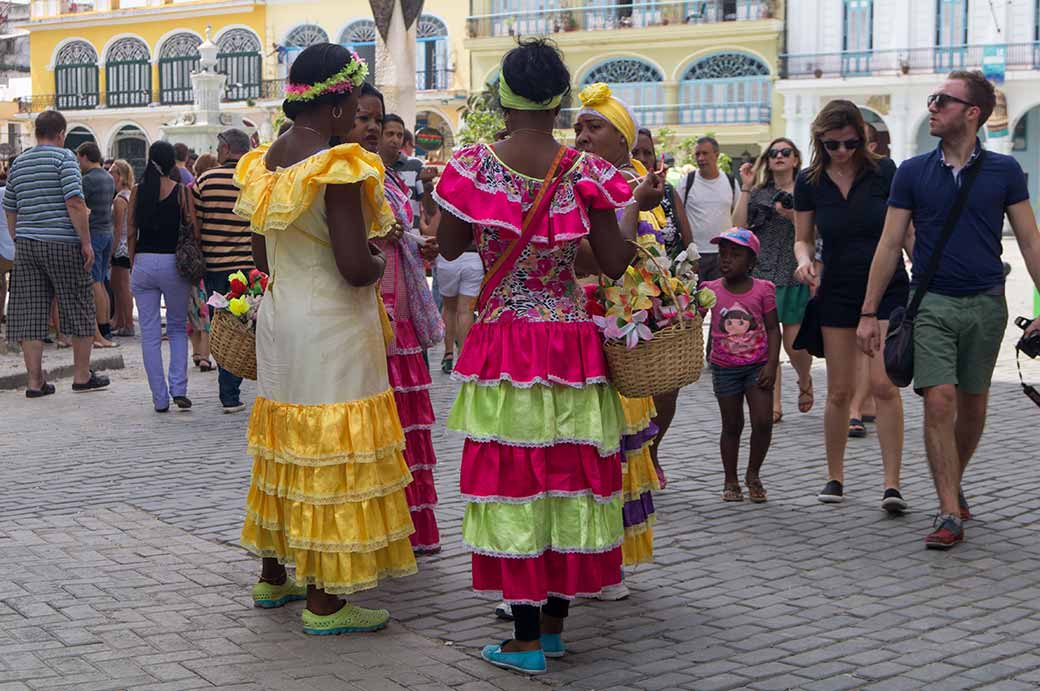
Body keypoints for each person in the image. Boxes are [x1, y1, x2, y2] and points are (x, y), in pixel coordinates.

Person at [433, 39, 643, 674]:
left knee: (515, 481)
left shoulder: (470, 166)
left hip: (504, 340)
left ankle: (524, 642)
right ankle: (551, 630)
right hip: (570, 342)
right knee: (566, 477)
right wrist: (630, 210)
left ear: (501, 95)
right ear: (560, 100)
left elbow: (447, 248)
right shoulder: (589, 173)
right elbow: (610, 263)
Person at [234, 42, 416, 634]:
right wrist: (373, 255)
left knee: (284, 442)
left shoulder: (265, 163)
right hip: (333, 324)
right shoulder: (337, 164)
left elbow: (261, 253)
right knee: (332, 451)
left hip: (281, 317)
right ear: (337, 105)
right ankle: (326, 601)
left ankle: (273, 576)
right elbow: (352, 267)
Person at [858, 70, 1040, 549]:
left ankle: (953, 480)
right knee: (939, 400)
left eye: (943, 99)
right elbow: (890, 241)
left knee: (974, 404)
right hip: (931, 300)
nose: (933, 106)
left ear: (972, 112)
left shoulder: (1005, 172)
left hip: (987, 303)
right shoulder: (913, 171)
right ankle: (947, 510)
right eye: (933, 99)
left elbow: (1029, 241)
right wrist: (868, 310)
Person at [793, 99, 910, 511]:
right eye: (832, 145)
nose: (841, 151)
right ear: (819, 141)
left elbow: (904, 232)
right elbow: (803, 237)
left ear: (862, 137)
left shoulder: (885, 173)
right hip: (838, 287)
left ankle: (892, 484)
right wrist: (804, 262)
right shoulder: (809, 181)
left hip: (888, 286)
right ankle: (835, 476)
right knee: (840, 390)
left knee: (883, 385)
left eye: (849, 143)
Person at [571, 82, 667, 573]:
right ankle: (585, 556)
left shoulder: (637, 193)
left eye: (595, 127)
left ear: (623, 140)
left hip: (619, 335)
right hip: (576, 335)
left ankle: (610, 560)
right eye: (578, 128)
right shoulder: (568, 184)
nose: (583, 137)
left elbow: (636, 269)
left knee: (620, 448)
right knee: (584, 447)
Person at [354, 94, 445, 554]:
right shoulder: (344, 175)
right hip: (368, 314)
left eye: (378, 120)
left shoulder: (387, 178)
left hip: (401, 311)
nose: (372, 128)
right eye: (363, 118)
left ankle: (409, 528)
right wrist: (377, 235)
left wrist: (414, 243)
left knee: (405, 427)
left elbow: (397, 231)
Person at [4, 110, 109, 396]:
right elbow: (74, 201)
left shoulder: (20, 162)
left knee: (30, 311)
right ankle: (81, 376)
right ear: (61, 134)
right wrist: (85, 242)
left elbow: (10, 206)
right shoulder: (65, 159)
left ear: (38, 132)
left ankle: (35, 382)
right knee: (78, 305)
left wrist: (18, 237)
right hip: (63, 242)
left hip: (27, 244)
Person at [732, 138, 813, 423]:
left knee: (794, 344)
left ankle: (804, 379)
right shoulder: (758, 193)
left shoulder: (807, 191)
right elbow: (738, 227)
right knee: (767, 345)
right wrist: (745, 186)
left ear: (795, 159)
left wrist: (792, 216)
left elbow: (815, 233)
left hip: (793, 273)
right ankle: (774, 403)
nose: (779, 157)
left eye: (785, 152)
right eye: (773, 153)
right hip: (763, 275)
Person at [127, 141, 194, 412]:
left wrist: (134, 261)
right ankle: (178, 387)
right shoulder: (180, 192)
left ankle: (159, 398)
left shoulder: (137, 191)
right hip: (172, 263)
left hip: (143, 262)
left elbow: (130, 231)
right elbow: (192, 229)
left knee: (150, 335)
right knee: (177, 328)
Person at [194, 128, 253, 412]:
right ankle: (232, 389)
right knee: (244, 327)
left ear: (227, 149)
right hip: (247, 268)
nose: (217, 154)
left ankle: (228, 391)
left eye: (219, 149)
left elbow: (196, 223)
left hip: (216, 266)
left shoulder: (205, 180)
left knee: (222, 326)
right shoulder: (254, 179)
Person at [848, 123, 882, 436]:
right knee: (855, 347)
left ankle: (864, 401)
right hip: (845, 274)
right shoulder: (832, 177)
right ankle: (856, 404)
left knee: (872, 346)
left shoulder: (885, 176)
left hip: (881, 272)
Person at [679, 136, 739, 284]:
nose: (700, 158)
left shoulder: (731, 182)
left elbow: (738, 215)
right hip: (694, 256)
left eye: (705, 153)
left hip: (723, 255)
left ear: (716, 155)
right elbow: (677, 215)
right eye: (697, 154)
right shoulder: (687, 182)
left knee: (720, 301)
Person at [76, 142, 118, 348]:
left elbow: (79, 206)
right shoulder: (109, 177)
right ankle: (106, 327)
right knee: (101, 281)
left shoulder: (87, 180)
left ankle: (100, 329)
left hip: (92, 233)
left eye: (79, 158)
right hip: (107, 231)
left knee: (93, 282)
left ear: (85, 157)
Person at [187, 154, 218, 372]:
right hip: (208, 257)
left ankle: (197, 351)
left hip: (192, 259)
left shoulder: (189, 188)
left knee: (193, 306)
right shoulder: (206, 188)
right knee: (206, 307)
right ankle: (206, 355)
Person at [109, 159, 135, 337]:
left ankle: (128, 323)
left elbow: (118, 228)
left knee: (122, 286)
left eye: (112, 172)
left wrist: (112, 250)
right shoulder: (130, 194)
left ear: (119, 175)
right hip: (127, 244)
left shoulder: (119, 199)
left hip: (121, 246)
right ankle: (120, 320)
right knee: (118, 285)